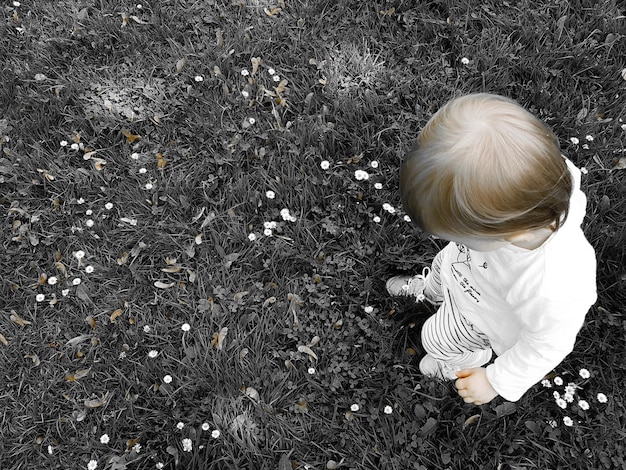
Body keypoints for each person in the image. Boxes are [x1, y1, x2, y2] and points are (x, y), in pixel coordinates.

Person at [387, 93, 597, 405]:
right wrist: (464, 244)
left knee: (435, 336)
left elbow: (546, 344)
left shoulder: (553, 285)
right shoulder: (533, 187)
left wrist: (496, 379)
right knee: (444, 264)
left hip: (480, 314)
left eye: (460, 234)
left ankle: (456, 363)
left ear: (511, 231)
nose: (450, 238)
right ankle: (428, 291)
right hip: (465, 271)